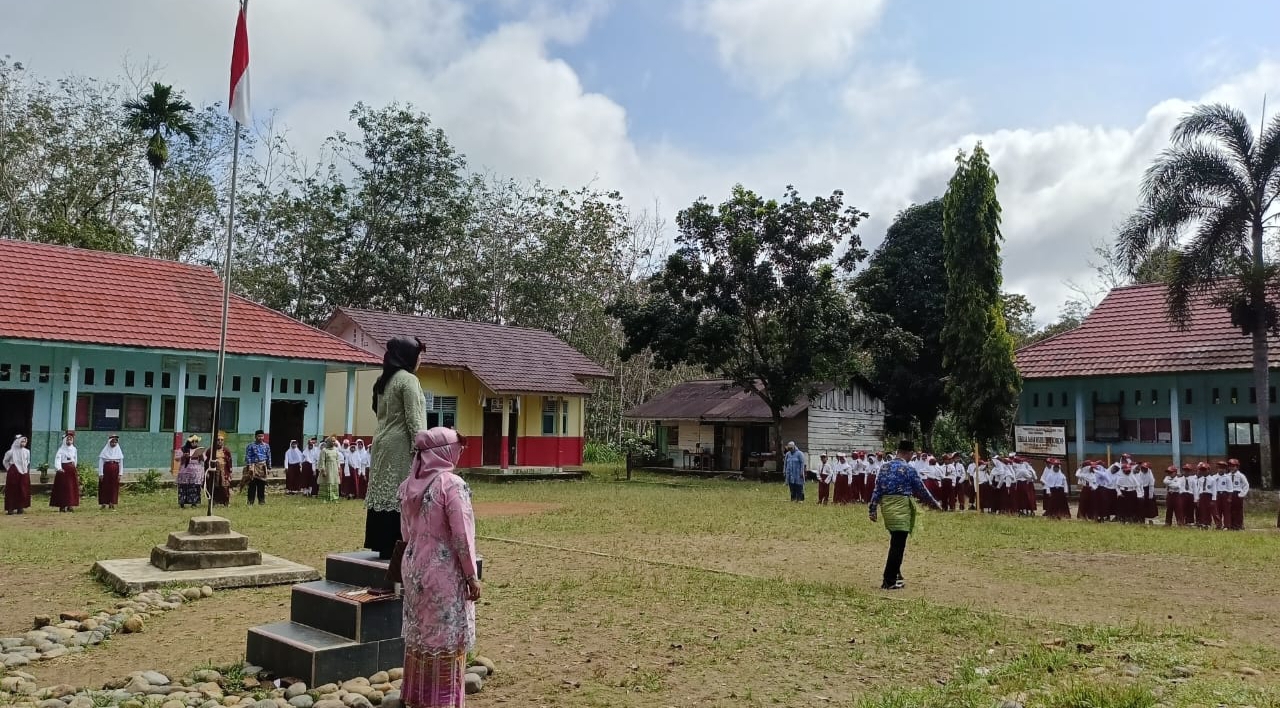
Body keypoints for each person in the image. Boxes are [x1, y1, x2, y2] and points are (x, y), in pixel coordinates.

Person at [399, 427, 481, 708]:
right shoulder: (451, 485)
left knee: (421, 635)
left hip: (413, 569)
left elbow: (406, 533)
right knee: (446, 637)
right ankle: (442, 701)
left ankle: (418, 697)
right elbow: (462, 536)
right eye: (457, 448)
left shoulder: (408, 486)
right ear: (445, 452)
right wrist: (471, 576)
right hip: (443, 572)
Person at [367, 336, 430, 559]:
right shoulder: (409, 380)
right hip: (401, 445)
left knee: (384, 492)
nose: (420, 360)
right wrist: (423, 448)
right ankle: (400, 543)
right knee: (402, 491)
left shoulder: (384, 380)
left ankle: (383, 543)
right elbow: (414, 419)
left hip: (382, 442)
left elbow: (378, 412)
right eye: (418, 356)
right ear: (408, 357)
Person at [868, 439, 941, 591]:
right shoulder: (908, 469)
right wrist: (934, 503)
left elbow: (877, 489)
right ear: (909, 453)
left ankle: (896, 573)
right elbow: (921, 489)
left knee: (895, 540)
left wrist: (873, 509)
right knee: (898, 545)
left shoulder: (884, 468)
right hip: (901, 508)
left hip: (887, 508)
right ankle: (889, 580)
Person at [50, 431, 80, 512]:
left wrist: (74, 467)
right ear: (65, 440)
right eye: (68, 439)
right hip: (63, 470)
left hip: (71, 470)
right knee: (63, 488)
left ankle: (70, 504)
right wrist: (59, 468)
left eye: (71, 439)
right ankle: (62, 505)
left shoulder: (74, 449)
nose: (69, 441)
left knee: (71, 488)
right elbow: (58, 459)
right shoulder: (61, 450)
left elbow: (75, 459)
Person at [242, 430, 272, 506]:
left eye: (262, 436)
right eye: (259, 436)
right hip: (253, 467)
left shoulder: (266, 446)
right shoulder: (251, 446)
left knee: (261, 485)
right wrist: (249, 466)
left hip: (262, 467)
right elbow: (248, 456)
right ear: (255, 437)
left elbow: (268, 456)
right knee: (252, 485)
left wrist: (269, 467)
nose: (260, 438)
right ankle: (250, 502)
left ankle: (261, 501)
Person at [4, 435, 31, 515]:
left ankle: (20, 507)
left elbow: (28, 461)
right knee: (12, 489)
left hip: (23, 472)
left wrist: (24, 468)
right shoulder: (10, 452)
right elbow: (5, 461)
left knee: (22, 489)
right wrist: (9, 469)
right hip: (14, 472)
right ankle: (10, 508)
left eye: (25, 442)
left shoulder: (27, 451)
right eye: (22, 441)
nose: (24, 443)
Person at [176, 435, 205, 508]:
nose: (194, 443)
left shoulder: (199, 449)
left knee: (194, 486)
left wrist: (201, 456)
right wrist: (184, 456)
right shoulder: (183, 449)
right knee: (184, 486)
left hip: (196, 472)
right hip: (185, 471)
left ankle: (194, 502)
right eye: (192, 441)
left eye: (196, 441)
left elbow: (205, 459)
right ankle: (182, 503)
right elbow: (176, 458)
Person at [97, 434, 123, 510]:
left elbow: (121, 463)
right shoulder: (104, 451)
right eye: (112, 442)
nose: (113, 444)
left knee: (113, 487)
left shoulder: (118, 452)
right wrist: (101, 473)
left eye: (115, 442)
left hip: (115, 470)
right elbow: (101, 463)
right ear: (109, 442)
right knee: (104, 486)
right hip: (106, 470)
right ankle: (104, 503)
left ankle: (112, 502)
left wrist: (120, 473)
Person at [209, 436, 234, 507]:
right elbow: (207, 462)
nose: (220, 441)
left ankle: (226, 502)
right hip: (214, 471)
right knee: (214, 486)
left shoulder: (226, 450)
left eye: (221, 440)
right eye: (218, 440)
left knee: (225, 487)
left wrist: (230, 472)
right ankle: (214, 502)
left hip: (224, 471)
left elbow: (229, 461)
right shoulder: (210, 450)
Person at [318, 437, 342, 502]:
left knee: (334, 481)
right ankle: (324, 498)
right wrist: (323, 470)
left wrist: (338, 468)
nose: (333, 443)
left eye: (334, 441)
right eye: (332, 441)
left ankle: (334, 497)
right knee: (327, 481)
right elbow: (322, 461)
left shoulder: (335, 450)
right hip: (327, 468)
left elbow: (337, 460)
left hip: (334, 469)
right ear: (328, 442)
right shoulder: (324, 450)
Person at [1227, 459, 1249, 530]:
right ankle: (1231, 525)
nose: (1232, 468)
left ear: (1237, 467)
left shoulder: (1241, 476)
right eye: (1230, 466)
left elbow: (1246, 485)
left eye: (1233, 466)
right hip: (1230, 494)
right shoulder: (1227, 476)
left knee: (1238, 511)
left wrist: (1242, 494)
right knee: (1230, 510)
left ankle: (1239, 525)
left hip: (1237, 493)